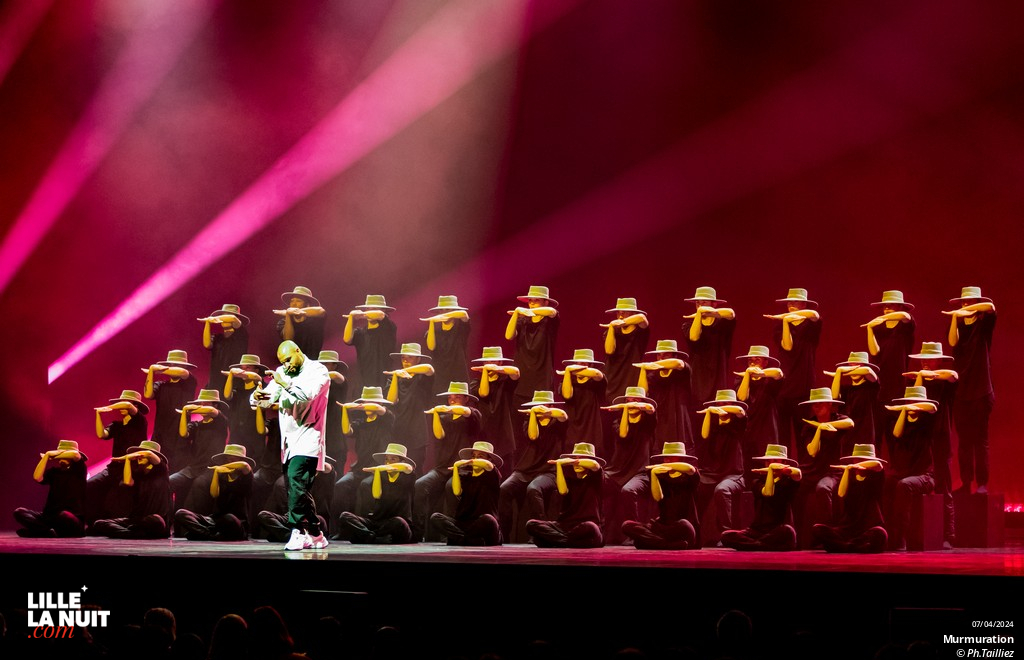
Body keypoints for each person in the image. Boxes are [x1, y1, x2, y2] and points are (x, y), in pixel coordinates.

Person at [252, 340, 331, 551]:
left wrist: (284, 382)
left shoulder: (318, 371)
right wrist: (258, 397)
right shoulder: (282, 372)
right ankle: (315, 533)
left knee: (296, 481)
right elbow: (270, 397)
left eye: (288, 360)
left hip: (309, 438)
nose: (286, 365)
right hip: (289, 442)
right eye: (282, 362)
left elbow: (307, 395)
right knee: (296, 489)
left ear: (298, 351)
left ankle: (297, 531)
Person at [904, 341, 958, 548]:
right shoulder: (916, 382)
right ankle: (917, 532)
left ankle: (948, 534)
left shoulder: (944, 382)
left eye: (929, 359)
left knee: (944, 484)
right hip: (919, 440)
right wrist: (919, 378)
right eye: (923, 360)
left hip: (940, 438)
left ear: (938, 361)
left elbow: (953, 376)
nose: (925, 363)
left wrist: (931, 376)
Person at [413, 382, 482, 540]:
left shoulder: (473, 414)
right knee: (420, 485)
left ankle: (451, 533)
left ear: (466, 399)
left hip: (462, 468)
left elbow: (465, 411)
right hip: (442, 467)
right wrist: (437, 415)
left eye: (457, 397)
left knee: (452, 488)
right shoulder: (445, 416)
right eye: (450, 398)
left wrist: (446, 409)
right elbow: (439, 435)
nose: (452, 400)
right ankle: (418, 531)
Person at [945, 286, 996, 495]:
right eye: (963, 303)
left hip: (982, 390)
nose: (966, 306)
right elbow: (952, 342)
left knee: (980, 441)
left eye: (970, 302)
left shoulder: (984, 323)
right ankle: (966, 482)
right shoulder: (958, 323)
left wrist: (970, 309)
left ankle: (982, 483)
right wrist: (955, 318)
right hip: (961, 392)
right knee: (964, 442)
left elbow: (991, 306)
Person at [497, 390, 567, 543]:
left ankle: (540, 532)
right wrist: (534, 415)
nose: (538, 408)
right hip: (525, 469)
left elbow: (563, 415)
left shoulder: (558, 422)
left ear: (549, 405)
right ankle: (503, 533)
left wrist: (546, 412)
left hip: (549, 470)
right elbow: (533, 436)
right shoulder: (529, 421)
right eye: (536, 406)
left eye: (541, 405)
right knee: (504, 489)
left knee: (534, 489)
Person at [792, 388, 853, 548]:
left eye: (820, 403)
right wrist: (819, 429)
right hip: (811, 469)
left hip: (832, 471)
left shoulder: (839, 419)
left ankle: (825, 535)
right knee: (791, 486)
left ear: (829, 405)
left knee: (823, 488)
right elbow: (812, 451)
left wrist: (827, 425)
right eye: (815, 404)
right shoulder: (808, 426)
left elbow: (850, 423)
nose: (817, 407)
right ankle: (793, 534)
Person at [765, 288, 821, 452]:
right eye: (789, 303)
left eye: (795, 302)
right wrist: (785, 321)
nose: (790, 305)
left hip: (803, 384)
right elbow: (787, 346)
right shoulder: (779, 327)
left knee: (803, 431)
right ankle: (784, 468)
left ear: (803, 304)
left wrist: (785, 317)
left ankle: (804, 470)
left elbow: (814, 315)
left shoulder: (811, 325)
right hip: (784, 386)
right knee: (782, 433)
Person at [883, 385, 938, 551]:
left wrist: (915, 405)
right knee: (885, 482)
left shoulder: (927, 420)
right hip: (903, 473)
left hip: (925, 476)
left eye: (915, 401)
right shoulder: (900, 421)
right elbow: (896, 434)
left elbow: (933, 407)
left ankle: (901, 538)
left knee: (904, 486)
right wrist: (904, 411)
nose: (911, 404)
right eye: (909, 401)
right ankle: (885, 534)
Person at [600, 386, 657, 544]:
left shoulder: (648, 421)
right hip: (617, 471)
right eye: (628, 401)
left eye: (635, 401)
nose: (631, 404)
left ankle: (633, 533)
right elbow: (623, 434)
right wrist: (625, 409)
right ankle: (599, 530)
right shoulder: (618, 422)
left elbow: (651, 409)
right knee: (597, 482)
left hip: (639, 472)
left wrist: (632, 405)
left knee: (628, 490)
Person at [720, 444, 801, 551]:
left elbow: (798, 473)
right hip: (757, 531)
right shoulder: (757, 482)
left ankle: (756, 545)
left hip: (778, 530)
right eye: (768, 461)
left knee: (788, 531)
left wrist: (777, 469)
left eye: (776, 461)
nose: (771, 464)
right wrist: (771, 471)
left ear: (784, 463)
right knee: (726, 536)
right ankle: (760, 544)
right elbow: (768, 492)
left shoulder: (788, 482)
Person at [692, 389, 747, 546]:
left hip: (733, 474)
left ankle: (726, 534)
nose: (722, 408)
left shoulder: (738, 422)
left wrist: (723, 408)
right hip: (710, 473)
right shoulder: (713, 422)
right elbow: (704, 435)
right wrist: (710, 414)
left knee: (722, 490)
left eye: (725, 404)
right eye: (719, 404)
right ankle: (692, 532)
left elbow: (741, 411)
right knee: (693, 487)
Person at [621, 441, 700, 549]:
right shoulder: (662, 476)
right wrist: (653, 474)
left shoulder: (689, 477)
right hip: (663, 527)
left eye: (670, 457)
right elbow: (658, 497)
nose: (666, 460)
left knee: (684, 524)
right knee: (627, 526)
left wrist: (660, 465)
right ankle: (667, 545)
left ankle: (656, 543)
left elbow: (690, 469)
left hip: (682, 528)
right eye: (665, 458)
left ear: (680, 459)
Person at [526, 442, 605, 548]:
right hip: (565, 526)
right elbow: (562, 491)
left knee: (590, 528)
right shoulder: (569, 478)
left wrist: (572, 461)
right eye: (575, 459)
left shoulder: (595, 478)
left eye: (581, 459)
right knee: (531, 524)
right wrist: (559, 465)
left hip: (585, 527)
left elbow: (595, 465)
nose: (577, 463)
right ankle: (567, 542)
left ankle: (557, 541)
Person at [864, 290, 916, 449]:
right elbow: (874, 352)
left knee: (897, 434)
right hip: (880, 386)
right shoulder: (879, 327)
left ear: (900, 306)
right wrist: (870, 329)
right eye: (885, 306)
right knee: (877, 433)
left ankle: (899, 470)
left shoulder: (905, 325)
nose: (887, 309)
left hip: (898, 385)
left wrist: (883, 318)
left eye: (891, 306)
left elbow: (906, 317)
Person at [812, 443, 888, 553]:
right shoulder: (849, 475)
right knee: (817, 529)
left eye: (862, 460)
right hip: (846, 530)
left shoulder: (876, 476)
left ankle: (843, 547)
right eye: (856, 460)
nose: (858, 463)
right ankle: (851, 547)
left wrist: (855, 466)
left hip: (868, 529)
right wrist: (847, 470)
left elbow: (878, 465)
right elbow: (841, 493)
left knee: (880, 534)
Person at [334, 386, 395, 520]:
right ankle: (340, 528)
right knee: (341, 485)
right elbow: (347, 431)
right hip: (360, 468)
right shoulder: (361, 423)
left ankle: (363, 523)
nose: (366, 406)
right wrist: (345, 410)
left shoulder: (386, 419)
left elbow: (379, 410)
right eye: (365, 402)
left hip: (378, 468)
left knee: (365, 485)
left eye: (369, 403)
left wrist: (357, 407)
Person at [87, 389, 149, 523]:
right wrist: (98, 414)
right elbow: (102, 434)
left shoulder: (140, 421)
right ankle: (93, 520)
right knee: (90, 484)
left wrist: (107, 408)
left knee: (120, 493)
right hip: (113, 468)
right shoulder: (116, 425)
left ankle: (120, 521)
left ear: (135, 406)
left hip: (131, 468)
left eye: (124, 402)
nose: (121, 405)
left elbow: (127, 406)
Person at [90, 440, 171, 539]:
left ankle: (134, 532)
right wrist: (128, 460)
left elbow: (149, 454)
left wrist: (124, 457)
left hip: (156, 521)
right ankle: (133, 534)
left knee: (155, 521)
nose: (139, 456)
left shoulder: (161, 470)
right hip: (138, 520)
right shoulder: (138, 474)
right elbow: (127, 482)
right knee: (99, 524)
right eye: (138, 454)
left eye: (141, 453)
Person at [338, 443, 416, 544]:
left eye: (393, 459)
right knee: (345, 516)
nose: (388, 462)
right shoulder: (382, 474)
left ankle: (366, 536)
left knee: (398, 522)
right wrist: (379, 472)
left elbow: (407, 467)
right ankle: (373, 538)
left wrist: (380, 468)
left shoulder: (407, 477)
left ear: (401, 460)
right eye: (386, 459)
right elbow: (376, 495)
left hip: (396, 524)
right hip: (378, 523)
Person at [174, 444, 254, 541]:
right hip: (217, 522)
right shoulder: (221, 476)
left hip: (236, 523)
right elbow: (214, 494)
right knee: (181, 514)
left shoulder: (246, 477)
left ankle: (204, 534)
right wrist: (216, 472)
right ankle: (211, 536)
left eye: (234, 460)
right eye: (229, 459)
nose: (230, 462)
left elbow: (244, 466)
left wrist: (222, 467)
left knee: (229, 518)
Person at [430, 440, 503, 545]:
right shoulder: (466, 477)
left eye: (480, 456)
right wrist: (455, 468)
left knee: (488, 519)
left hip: (483, 525)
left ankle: (460, 539)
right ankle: (467, 540)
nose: (475, 459)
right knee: (436, 517)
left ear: (489, 459)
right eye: (473, 456)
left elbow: (488, 465)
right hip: (466, 525)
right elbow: (456, 491)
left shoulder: (492, 475)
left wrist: (466, 462)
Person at [169, 389, 230, 512]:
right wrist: (185, 412)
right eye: (201, 404)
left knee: (199, 485)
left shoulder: (220, 421)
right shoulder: (197, 425)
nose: (202, 407)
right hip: (193, 467)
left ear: (215, 405)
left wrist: (191, 408)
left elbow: (212, 411)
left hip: (211, 467)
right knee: (169, 482)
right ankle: (168, 518)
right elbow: (183, 433)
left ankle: (191, 520)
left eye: (206, 404)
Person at [682, 286, 736, 421]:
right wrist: (699, 315)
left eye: (704, 302)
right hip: (697, 382)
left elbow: (731, 313)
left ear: (714, 304)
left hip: (718, 379)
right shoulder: (688, 325)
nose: (700, 306)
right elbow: (694, 337)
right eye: (697, 303)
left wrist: (709, 313)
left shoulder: (722, 323)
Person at [14, 439, 88, 537]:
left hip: (71, 518)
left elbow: (75, 455)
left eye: (64, 454)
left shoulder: (79, 470)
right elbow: (37, 477)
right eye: (58, 453)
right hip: (50, 517)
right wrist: (46, 456)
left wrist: (51, 454)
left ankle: (39, 532)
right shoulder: (54, 472)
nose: (61, 458)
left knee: (64, 515)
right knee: (19, 512)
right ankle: (47, 532)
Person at [142, 349, 198, 472]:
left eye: (176, 365)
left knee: (176, 477)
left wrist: (159, 369)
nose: (174, 368)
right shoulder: (161, 385)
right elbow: (148, 394)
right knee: (157, 475)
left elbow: (182, 372)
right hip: (160, 438)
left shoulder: (189, 382)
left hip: (179, 441)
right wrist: (151, 372)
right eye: (172, 365)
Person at [505, 285, 559, 412]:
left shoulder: (549, 320)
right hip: (522, 378)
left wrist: (529, 312)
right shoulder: (523, 319)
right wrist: (517, 313)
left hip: (542, 378)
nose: (532, 304)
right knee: (519, 420)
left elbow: (552, 312)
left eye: (536, 300)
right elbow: (508, 336)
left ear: (545, 302)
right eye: (530, 301)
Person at [385, 342, 435, 471]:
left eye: (410, 357)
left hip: (417, 433)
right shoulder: (395, 377)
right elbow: (391, 400)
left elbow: (429, 368)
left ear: (418, 359)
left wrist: (404, 371)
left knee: (415, 472)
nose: (405, 360)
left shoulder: (422, 376)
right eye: (403, 357)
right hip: (398, 430)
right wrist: (396, 376)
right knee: (396, 471)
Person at [634, 339, 694, 446]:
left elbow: (679, 363)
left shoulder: (682, 373)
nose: (661, 359)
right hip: (660, 423)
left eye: (665, 355)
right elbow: (641, 393)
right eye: (659, 356)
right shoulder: (653, 376)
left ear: (674, 356)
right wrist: (643, 369)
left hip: (678, 422)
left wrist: (654, 364)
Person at [470, 346, 520, 470]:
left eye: (493, 361)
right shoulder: (475, 383)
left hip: (504, 437)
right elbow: (484, 393)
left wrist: (495, 369)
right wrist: (486, 372)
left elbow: (516, 372)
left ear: (500, 362)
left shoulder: (505, 381)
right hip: (483, 434)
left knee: (504, 478)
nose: (489, 365)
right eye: (487, 362)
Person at [221, 353, 271, 462]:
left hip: (254, 438)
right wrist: (230, 375)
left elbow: (265, 402)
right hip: (236, 436)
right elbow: (226, 396)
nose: (243, 371)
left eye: (247, 367)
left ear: (256, 370)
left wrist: (257, 380)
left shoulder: (264, 388)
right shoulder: (238, 390)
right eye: (241, 368)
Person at [558, 348, 607, 456]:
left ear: (589, 365)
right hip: (572, 424)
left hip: (591, 424)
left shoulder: (594, 380)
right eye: (578, 363)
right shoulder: (568, 380)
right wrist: (568, 372)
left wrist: (577, 370)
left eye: (583, 364)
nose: (579, 366)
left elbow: (598, 375)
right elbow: (567, 395)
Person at [826, 351, 879, 448]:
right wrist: (838, 373)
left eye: (857, 366)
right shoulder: (846, 389)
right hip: (846, 436)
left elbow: (867, 371)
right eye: (850, 366)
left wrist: (842, 372)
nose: (853, 369)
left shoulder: (871, 386)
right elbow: (834, 396)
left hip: (865, 436)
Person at [343, 294, 397, 390]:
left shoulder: (389, 327)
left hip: (382, 383)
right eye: (368, 309)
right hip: (362, 384)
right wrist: (351, 318)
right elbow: (347, 339)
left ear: (383, 310)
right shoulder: (360, 332)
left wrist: (362, 315)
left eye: (374, 309)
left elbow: (380, 315)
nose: (370, 311)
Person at [602, 297, 650, 401]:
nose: (620, 315)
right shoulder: (612, 330)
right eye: (618, 312)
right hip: (612, 379)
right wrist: (611, 327)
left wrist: (622, 323)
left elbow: (642, 318)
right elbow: (609, 350)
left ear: (633, 313)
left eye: (624, 312)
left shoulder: (640, 331)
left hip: (630, 378)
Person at [422, 295, 471, 391]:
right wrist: (431, 322)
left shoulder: (461, 329)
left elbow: (464, 314)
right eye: (441, 310)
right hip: (440, 380)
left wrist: (446, 315)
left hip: (458, 378)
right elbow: (431, 347)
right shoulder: (433, 333)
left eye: (447, 309)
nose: (444, 313)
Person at [198, 303, 250, 393]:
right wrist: (208, 322)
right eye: (222, 316)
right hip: (215, 385)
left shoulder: (241, 334)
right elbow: (207, 345)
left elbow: (233, 318)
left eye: (226, 316)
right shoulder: (218, 338)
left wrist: (214, 318)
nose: (223, 319)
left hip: (233, 385)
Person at [317, 350, 350, 465]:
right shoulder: (315, 384)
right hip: (319, 436)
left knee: (336, 473)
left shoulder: (340, 383)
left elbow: (336, 376)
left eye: (326, 364)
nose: (322, 367)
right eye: (321, 364)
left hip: (335, 438)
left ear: (334, 366)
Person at [275, 286, 327, 359]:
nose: (294, 304)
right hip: (293, 363)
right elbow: (288, 340)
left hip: (313, 363)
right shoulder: (283, 322)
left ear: (307, 304)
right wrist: (288, 314)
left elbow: (321, 311)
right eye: (292, 301)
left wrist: (296, 312)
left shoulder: (315, 320)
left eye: (298, 301)